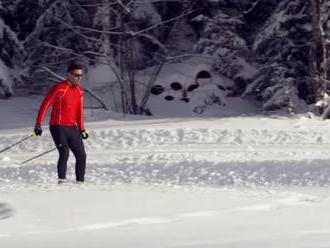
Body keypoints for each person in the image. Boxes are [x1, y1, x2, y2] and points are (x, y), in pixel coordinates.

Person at [33, 62, 89, 183]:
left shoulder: (79, 91)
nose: (79, 78)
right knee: (64, 153)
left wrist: (82, 129)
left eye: (80, 75)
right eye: (76, 75)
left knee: (82, 156)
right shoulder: (59, 88)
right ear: (68, 74)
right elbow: (45, 105)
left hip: (72, 127)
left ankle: (80, 183)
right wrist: (38, 124)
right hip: (58, 126)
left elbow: (79, 111)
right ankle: (61, 183)